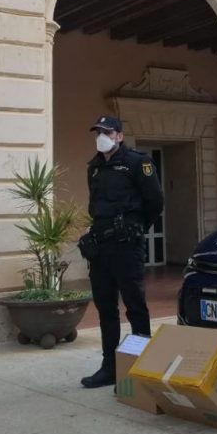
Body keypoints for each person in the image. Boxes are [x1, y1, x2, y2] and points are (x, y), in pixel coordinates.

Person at [79, 115, 163, 389]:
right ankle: (110, 367)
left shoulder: (138, 163)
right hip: (101, 246)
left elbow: (155, 202)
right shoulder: (94, 167)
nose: (101, 136)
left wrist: (135, 228)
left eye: (107, 131)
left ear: (119, 136)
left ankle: (140, 367)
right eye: (98, 132)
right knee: (105, 308)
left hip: (127, 245)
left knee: (135, 306)